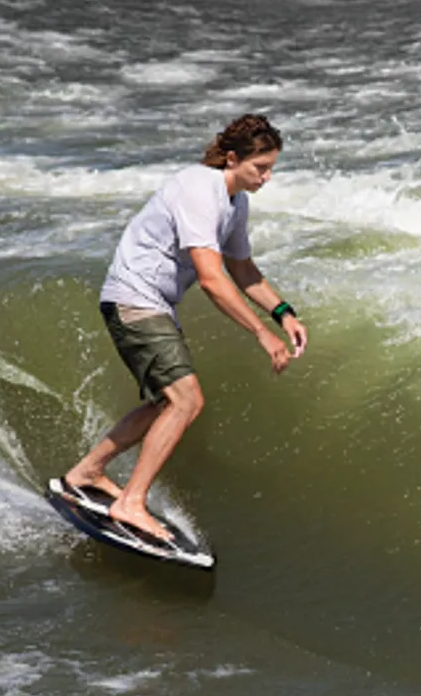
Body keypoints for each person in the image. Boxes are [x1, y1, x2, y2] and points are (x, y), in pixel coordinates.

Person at [61, 113, 307, 541]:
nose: (266, 178)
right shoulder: (199, 190)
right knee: (186, 400)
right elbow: (212, 279)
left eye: (271, 168)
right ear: (232, 159)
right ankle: (130, 502)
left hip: (152, 303)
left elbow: (243, 269)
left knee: (168, 402)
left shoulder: (235, 202)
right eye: (259, 167)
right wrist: (261, 334)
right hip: (134, 299)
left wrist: (282, 312)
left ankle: (88, 471)